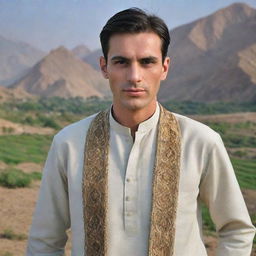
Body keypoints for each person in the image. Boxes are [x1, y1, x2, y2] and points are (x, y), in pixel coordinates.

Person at [27, 8, 255, 256]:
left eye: (147, 62)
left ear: (164, 68)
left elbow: (236, 231)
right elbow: (44, 242)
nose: (134, 76)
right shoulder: (69, 144)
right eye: (121, 62)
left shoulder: (201, 141)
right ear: (104, 67)